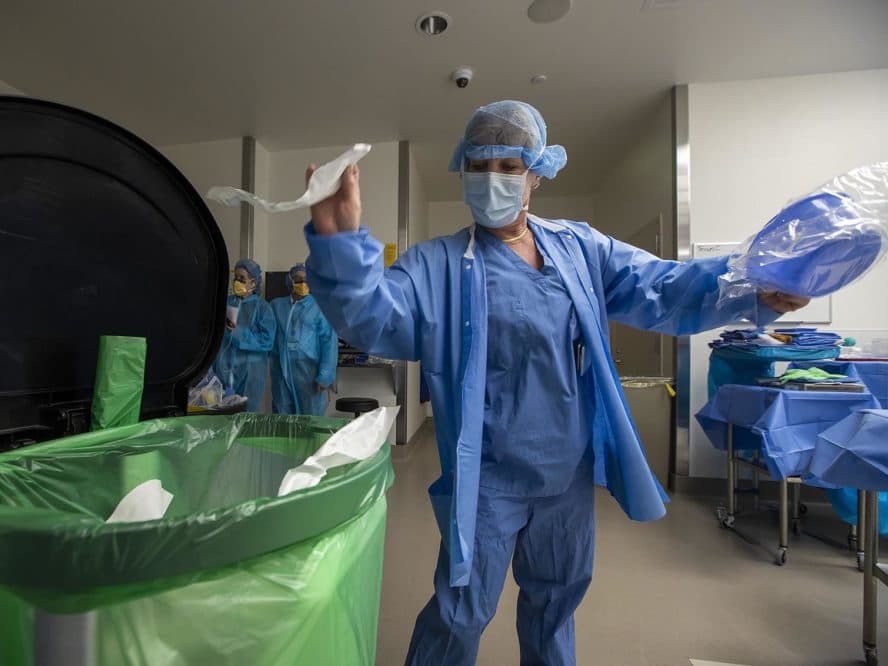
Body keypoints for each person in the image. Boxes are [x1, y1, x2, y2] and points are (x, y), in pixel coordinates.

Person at [302, 100, 808, 665]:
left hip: (566, 472)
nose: (490, 179)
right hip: (489, 478)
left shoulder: (579, 248)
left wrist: (752, 290)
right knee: (459, 612)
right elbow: (376, 315)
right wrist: (340, 244)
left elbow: (661, 287)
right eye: (478, 165)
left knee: (556, 605)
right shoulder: (439, 264)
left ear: (536, 174)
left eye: (507, 167)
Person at [270, 263, 338, 415]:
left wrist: (325, 375)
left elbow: (329, 343)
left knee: (311, 421)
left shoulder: (320, 308)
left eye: (307, 280)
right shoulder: (277, 306)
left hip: (310, 375)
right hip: (281, 374)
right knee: (283, 420)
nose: (302, 284)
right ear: (290, 282)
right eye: (298, 280)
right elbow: (270, 337)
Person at [213, 258, 275, 412]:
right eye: (236, 278)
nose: (237, 282)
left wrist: (238, 331)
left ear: (253, 283)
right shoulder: (224, 303)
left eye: (242, 279)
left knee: (247, 416)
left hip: (250, 372)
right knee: (222, 416)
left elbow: (267, 341)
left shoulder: (263, 308)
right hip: (223, 369)